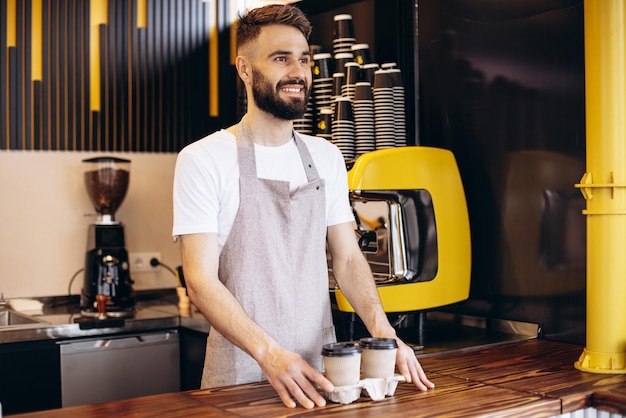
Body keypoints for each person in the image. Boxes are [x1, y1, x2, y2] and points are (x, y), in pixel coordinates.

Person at [172, 3, 434, 409]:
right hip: (240, 375)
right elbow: (201, 282)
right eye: (281, 59)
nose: (297, 72)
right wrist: (271, 355)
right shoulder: (204, 158)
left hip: (322, 373)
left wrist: (385, 334)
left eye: (303, 59)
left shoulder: (326, 156)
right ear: (244, 69)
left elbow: (347, 259)